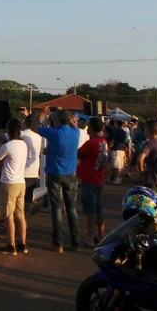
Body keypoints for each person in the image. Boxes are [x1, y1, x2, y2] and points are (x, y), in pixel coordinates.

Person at [37, 108, 82, 252]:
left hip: (55, 174)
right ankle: (76, 242)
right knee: (72, 209)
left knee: (56, 209)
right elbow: (74, 125)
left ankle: (58, 242)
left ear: (57, 120)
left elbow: (34, 126)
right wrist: (70, 120)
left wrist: (42, 114)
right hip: (71, 174)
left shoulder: (54, 133)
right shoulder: (76, 132)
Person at [0, 118, 28, 254]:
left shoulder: (7, 146)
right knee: (20, 215)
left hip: (9, 183)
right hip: (21, 182)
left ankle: (11, 244)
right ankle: (23, 244)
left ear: (8, 130)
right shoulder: (23, 144)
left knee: (8, 216)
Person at [77, 118, 109, 247]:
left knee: (90, 210)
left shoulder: (91, 143)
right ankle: (101, 234)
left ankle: (90, 236)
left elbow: (79, 153)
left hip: (89, 179)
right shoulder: (103, 142)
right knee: (98, 208)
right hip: (98, 178)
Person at [20, 112, 45, 217]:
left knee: (20, 197)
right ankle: (25, 218)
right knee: (28, 197)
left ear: (25, 123)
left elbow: (6, 135)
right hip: (34, 171)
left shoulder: (23, 134)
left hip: (23, 171)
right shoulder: (40, 135)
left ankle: (19, 219)